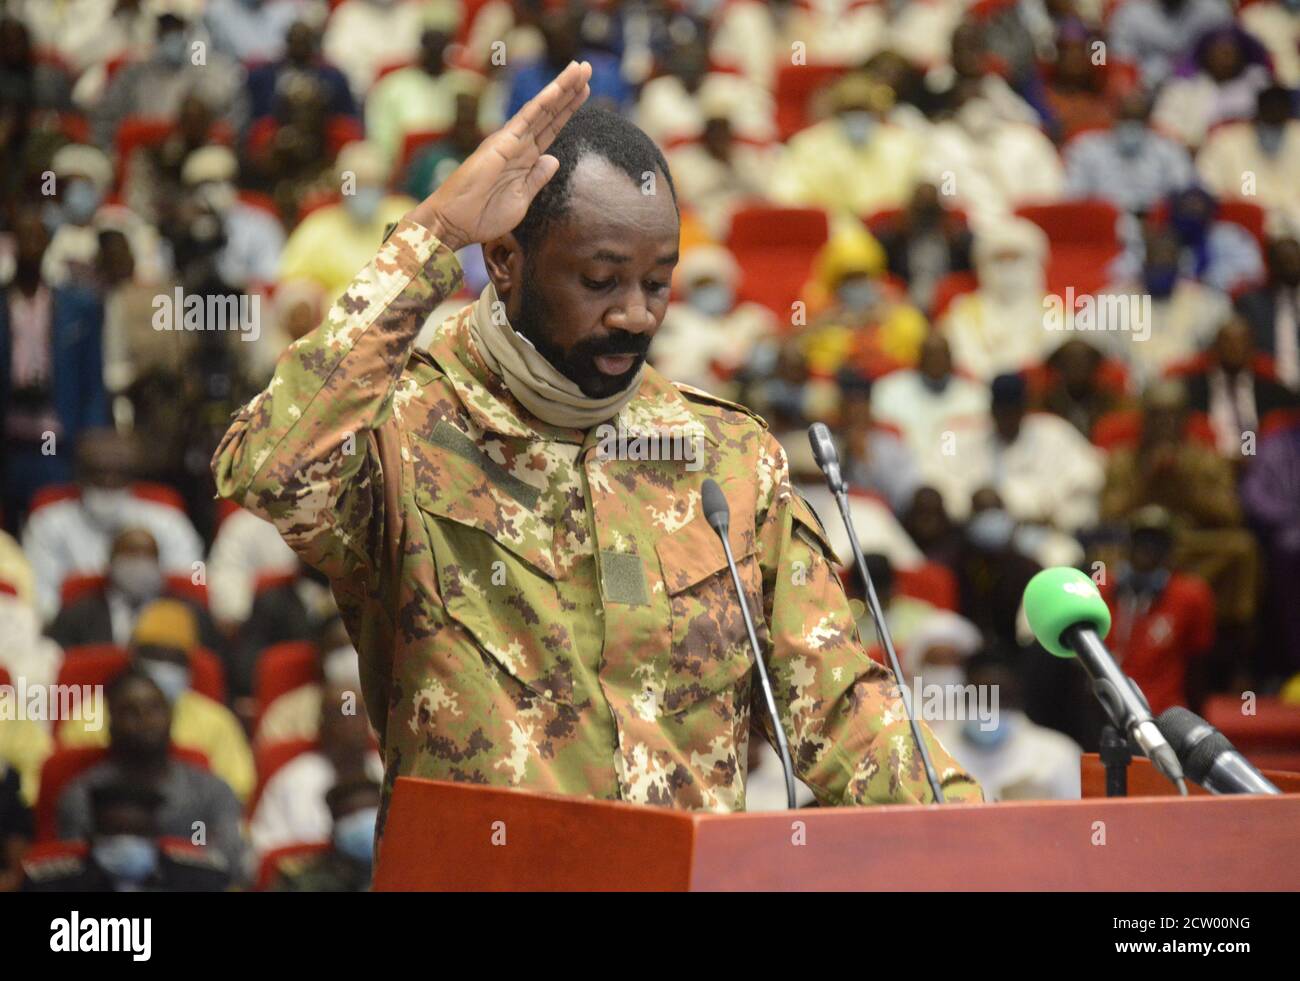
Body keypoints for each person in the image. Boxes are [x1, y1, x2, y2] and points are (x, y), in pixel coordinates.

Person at [212, 62, 981, 826]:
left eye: (656, 282)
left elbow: (840, 706)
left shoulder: (727, 458)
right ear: (506, 261)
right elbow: (272, 466)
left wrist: (985, 838)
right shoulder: (404, 425)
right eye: (601, 279)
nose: (636, 315)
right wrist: (435, 235)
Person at [57, 600, 255, 804]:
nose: (164, 667)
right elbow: (70, 788)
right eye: (154, 656)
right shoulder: (89, 718)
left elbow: (236, 793)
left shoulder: (217, 723)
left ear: (189, 666)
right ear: (134, 658)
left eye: (174, 660)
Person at [55, 669, 246, 878]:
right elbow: (75, 874)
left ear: (171, 717)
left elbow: (227, 864)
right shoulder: (84, 795)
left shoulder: (210, 792)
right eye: (130, 712)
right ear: (111, 723)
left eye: (154, 709)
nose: (145, 720)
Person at [20, 430, 203, 620]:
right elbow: (40, 596)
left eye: (119, 474)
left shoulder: (168, 522)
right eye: (98, 473)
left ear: (134, 477)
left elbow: (187, 588)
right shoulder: (48, 523)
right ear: (79, 475)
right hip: (74, 633)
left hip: (156, 629)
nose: (108, 482)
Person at [0, 208, 108, 532]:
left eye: (37, 236)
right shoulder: (4, 301)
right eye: (23, 236)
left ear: (48, 243)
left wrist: (91, 441)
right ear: (11, 243)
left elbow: (93, 380)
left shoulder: (78, 305)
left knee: (54, 525)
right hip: (10, 439)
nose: (30, 244)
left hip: (58, 440)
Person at [249, 678, 382, 859]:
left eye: (358, 715)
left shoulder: (390, 773)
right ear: (322, 727)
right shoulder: (292, 781)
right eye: (341, 716)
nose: (352, 725)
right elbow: (264, 853)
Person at [1099, 506, 1216, 714]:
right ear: (1128, 545)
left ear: (1170, 550)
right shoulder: (1101, 590)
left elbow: (1198, 667)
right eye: (1141, 540)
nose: (1147, 548)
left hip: (1164, 714)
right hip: (1106, 709)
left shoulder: (1191, 596)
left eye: (1157, 542)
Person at [928, 651, 1083, 801]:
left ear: (1017, 697)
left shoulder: (1058, 754)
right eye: (984, 698)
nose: (991, 710)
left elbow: (1079, 821)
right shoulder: (927, 753)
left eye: (1001, 698)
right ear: (964, 693)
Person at [27, 781, 230, 892]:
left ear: (156, 835)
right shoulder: (50, 884)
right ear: (91, 837)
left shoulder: (201, 881)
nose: (126, 842)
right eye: (114, 832)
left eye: (137, 833)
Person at [47, 527, 223, 653]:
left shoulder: (189, 613)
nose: (139, 562)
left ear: (159, 564)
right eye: (130, 554)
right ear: (110, 562)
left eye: (147, 555)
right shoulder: (76, 615)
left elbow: (213, 668)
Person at [940, 217, 1055, 380]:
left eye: (1016, 259)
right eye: (999, 259)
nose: (1008, 269)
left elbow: (1054, 359)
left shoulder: (1054, 310)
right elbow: (961, 357)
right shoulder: (962, 311)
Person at [1183, 316, 1300, 460]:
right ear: (1215, 347)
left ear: (1252, 348)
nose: (1234, 349)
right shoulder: (1193, 390)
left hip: (1259, 465)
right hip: (1210, 466)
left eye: (1241, 343)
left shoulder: (1274, 393)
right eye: (1228, 343)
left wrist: (1247, 455)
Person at [1064, 90, 1196, 216]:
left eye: (1137, 120)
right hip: (1100, 224)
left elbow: (1183, 195)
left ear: (1148, 121)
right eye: (1126, 119)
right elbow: (1073, 198)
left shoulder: (1170, 150)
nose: (1131, 127)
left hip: (1155, 227)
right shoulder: (1086, 148)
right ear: (1114, 117)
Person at [1197, 85, 1300, 232]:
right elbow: (1207, 185)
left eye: (1279, 111)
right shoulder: (1226, 141)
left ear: (1289, 112)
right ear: (1257, 111)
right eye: (1269, 111)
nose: (1274, 114)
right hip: (1243, 221)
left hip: (1294, 219)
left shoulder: (1297, 136)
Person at [268, 776, 379, 891]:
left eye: (371, 814)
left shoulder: (397, 872)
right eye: (351, 815)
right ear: (334, 827)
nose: (362, 822)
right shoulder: (302, 883)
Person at [1235, 233, 1300, 390]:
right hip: (1267, 390)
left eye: (1293, 259)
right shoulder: (1251, 304)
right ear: (1271, 265)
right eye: (1282, 261)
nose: (1289, 265)